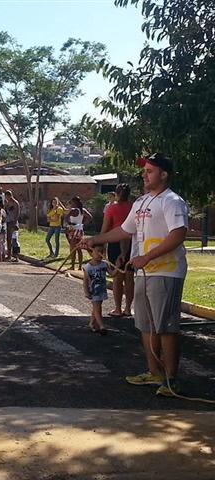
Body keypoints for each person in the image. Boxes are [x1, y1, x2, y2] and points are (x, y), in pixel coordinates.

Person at [81, 153, 188, 397]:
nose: (144, 175)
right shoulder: (141, 202)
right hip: (143, 274)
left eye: (150, 171)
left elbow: (178, 234)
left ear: (164, 174)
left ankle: (171, 380)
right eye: (144, 171)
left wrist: (147, 257)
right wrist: (95, 239)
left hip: (166, 272)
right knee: (146, 325)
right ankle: (154, 373)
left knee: (167, 327)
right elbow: (124, 230)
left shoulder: (172, 201)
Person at [102, 183, 134, 317]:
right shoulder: (133, 207)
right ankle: (128, 308)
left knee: (117, 277)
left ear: (117, 194)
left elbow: (105, 228)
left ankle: (117, 308)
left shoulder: (111, 208)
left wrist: (101, 243)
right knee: (129, 276)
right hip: (132, 243)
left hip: (115, 242)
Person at [82, 244, 109, 335]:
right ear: (91, 253)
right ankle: (102, 326)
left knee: (97, 307)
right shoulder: (87, 267)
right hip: (94, 290)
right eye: (98, 252)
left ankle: (92, 323)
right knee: (97, 308)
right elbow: (85, 281)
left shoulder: (104, 264)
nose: (100, 254)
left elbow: (112, 274)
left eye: (102, 252)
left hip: (102, 289)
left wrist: (117, 266)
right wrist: (86, 291)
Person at [65, 196, 92, 270]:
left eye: (72, 202)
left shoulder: (73, 210)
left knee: (73, 248)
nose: (71, 204)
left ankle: (73, 266)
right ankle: (80, 266)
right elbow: (90, 217)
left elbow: (66, 218)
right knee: (79, 248)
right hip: (80, 230)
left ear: (74, 202)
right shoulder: (83, 210)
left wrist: (70, 224)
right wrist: (82, 223)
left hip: (73, 230)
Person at [4, 190, 20, 261]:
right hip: (8, 222)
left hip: (13, 222)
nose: (7, 197)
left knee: (14, 239)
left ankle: (16, 256)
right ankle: (9, 255)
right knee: (8, 239)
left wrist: (15, 222)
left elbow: (17, 213)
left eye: (7, 196)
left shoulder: (15, 203)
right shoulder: (7, 203)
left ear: (10, 195)